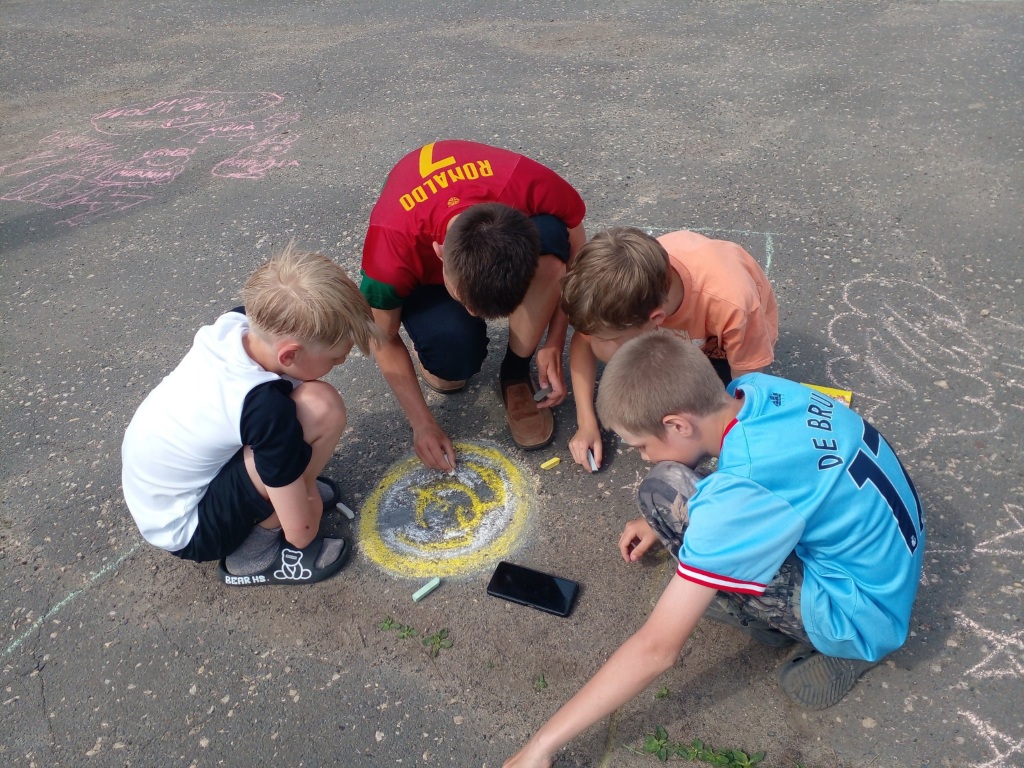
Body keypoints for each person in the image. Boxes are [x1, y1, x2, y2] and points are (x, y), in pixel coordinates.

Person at [503, 332, 924, 767]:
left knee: (663, 490)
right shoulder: (758, 389)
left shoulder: (741, 495)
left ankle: (845, 649)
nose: (644, 457)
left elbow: (656, 648)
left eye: (642, 445)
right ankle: (751, 589)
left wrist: (541, 745)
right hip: (882, 557)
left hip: (860, 614)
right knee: (666, 492)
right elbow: (760, 476)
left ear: (678, 424)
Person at [121, 243, 381, 586]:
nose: (342, 362)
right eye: (335, 358)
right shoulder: (263, 408)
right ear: (289, 355)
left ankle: (280, 491)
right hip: (192, 529)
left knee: (303, 415)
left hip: (162, 498)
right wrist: (305, 507)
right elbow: (301, 533)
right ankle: (253, 553)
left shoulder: (238, 323)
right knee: (322, 407)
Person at [359, 140, 586, 467]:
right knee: (452, 363)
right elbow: (380, 337)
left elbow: (579, 255)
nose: (473, 313)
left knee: (552, 241)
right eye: (467, 303)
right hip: (415, 238)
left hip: (482, 206)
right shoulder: (389, 254)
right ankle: (439, 354)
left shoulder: (527, 182)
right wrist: (422, 424)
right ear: (438, 253)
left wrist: (554, 341)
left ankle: (515, 373)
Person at [560, 227, 778, 472]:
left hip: (724, 349)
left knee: (705, 418)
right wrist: (586, 423)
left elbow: (748, 387)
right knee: (607, 350)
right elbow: (584, 341)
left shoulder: (732, 305)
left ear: (656, 319)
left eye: (608, 335)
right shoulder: (630, 282)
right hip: (682, 338)